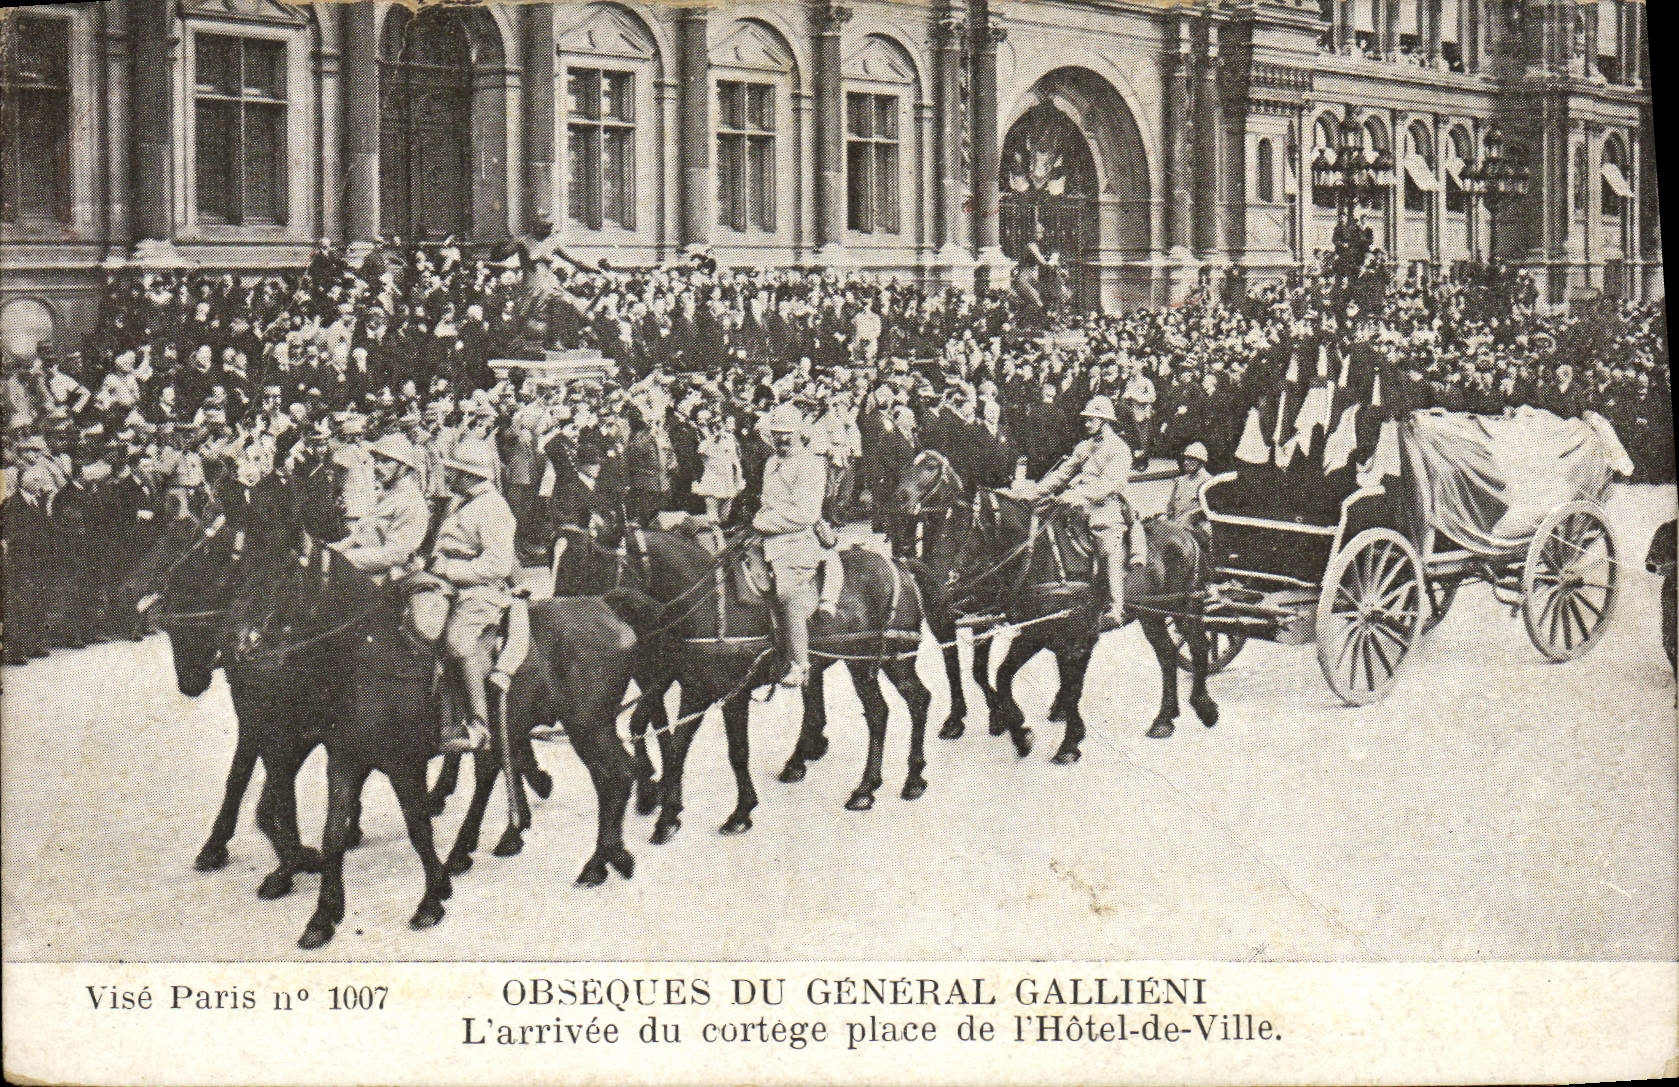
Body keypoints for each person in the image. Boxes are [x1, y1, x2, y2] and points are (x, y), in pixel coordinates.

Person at [429, 438, 518, 753]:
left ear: (469, 475)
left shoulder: (493, 507)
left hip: (480, 590)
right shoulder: (460, 502)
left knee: (456, 638)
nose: (449, 476)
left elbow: (497, 564)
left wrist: (449, 570)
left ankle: (478, 723)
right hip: (448, 584)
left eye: (454, 471)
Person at [1030, 394, 1144, 629]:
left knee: (1107, 540)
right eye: (1087, 420)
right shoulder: (1084, 446)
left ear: (1104, 421)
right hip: (1077, 501)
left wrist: (1077, 496)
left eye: (1091, 420)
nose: (1086, 424)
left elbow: (1110, 485)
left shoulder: (1120, 449)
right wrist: (1034, 492)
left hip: (1107, 505)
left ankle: (1116, 606)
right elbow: (1063, 474)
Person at [752, 403, 832, 688]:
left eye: (787, 434)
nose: (782, 439)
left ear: (799, 433)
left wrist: (763, 522)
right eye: (776, 434)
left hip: (797, 541)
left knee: (788, 592)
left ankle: (800, 663)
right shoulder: (771, 463)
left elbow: (805, 515)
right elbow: (767, 502)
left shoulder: (810, 464)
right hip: (765, 538)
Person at [333, 433, 431, 579]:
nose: (378, 466)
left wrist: (343, 558)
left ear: (404, 466)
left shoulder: (411, 501)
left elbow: (397, 554)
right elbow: (361, 536)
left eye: (386, 461)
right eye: (377, 460)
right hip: (362, 571)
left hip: (385, 581)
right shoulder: (391, 495)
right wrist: (333, 551)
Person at [1164, 441, 1211, 531]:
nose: (1186, 462)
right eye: (1185, 459)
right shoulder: (1180, 481)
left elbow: (1211, 510)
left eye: (1190, 459)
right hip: (1177, 528)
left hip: (1197, 529)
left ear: (1200, 462)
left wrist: (1191, 516)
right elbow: (1170, 506)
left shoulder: (1209, 482)